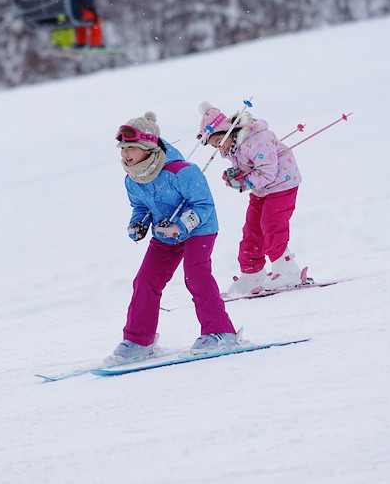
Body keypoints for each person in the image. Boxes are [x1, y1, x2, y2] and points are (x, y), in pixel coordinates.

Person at [110, 111, 239, 361]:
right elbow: (141, 207)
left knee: (196, 275)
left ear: (148, 146)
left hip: (199, 230)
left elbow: (204, 206)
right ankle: (138, 340)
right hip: (164, 234)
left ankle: (220, 332)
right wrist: (138, 224)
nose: (125, 154)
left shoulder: (182, 172)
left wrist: (180, 226)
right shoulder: (132, 179)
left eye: (132, 148)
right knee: (145, 281)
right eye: (122, 148)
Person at [196, 102, 303, 296]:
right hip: (262, 190)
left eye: (218, 142)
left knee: (271, 224)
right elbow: (251, 168)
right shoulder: (233, 147)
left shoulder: (257, 140)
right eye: (213, 146)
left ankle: (286, 270)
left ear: (228, 133)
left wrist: (243, 183)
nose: (218, 148)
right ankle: (252, 274)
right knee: (252, 230)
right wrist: (236, 175)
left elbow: (267, 173)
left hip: (281, 185)